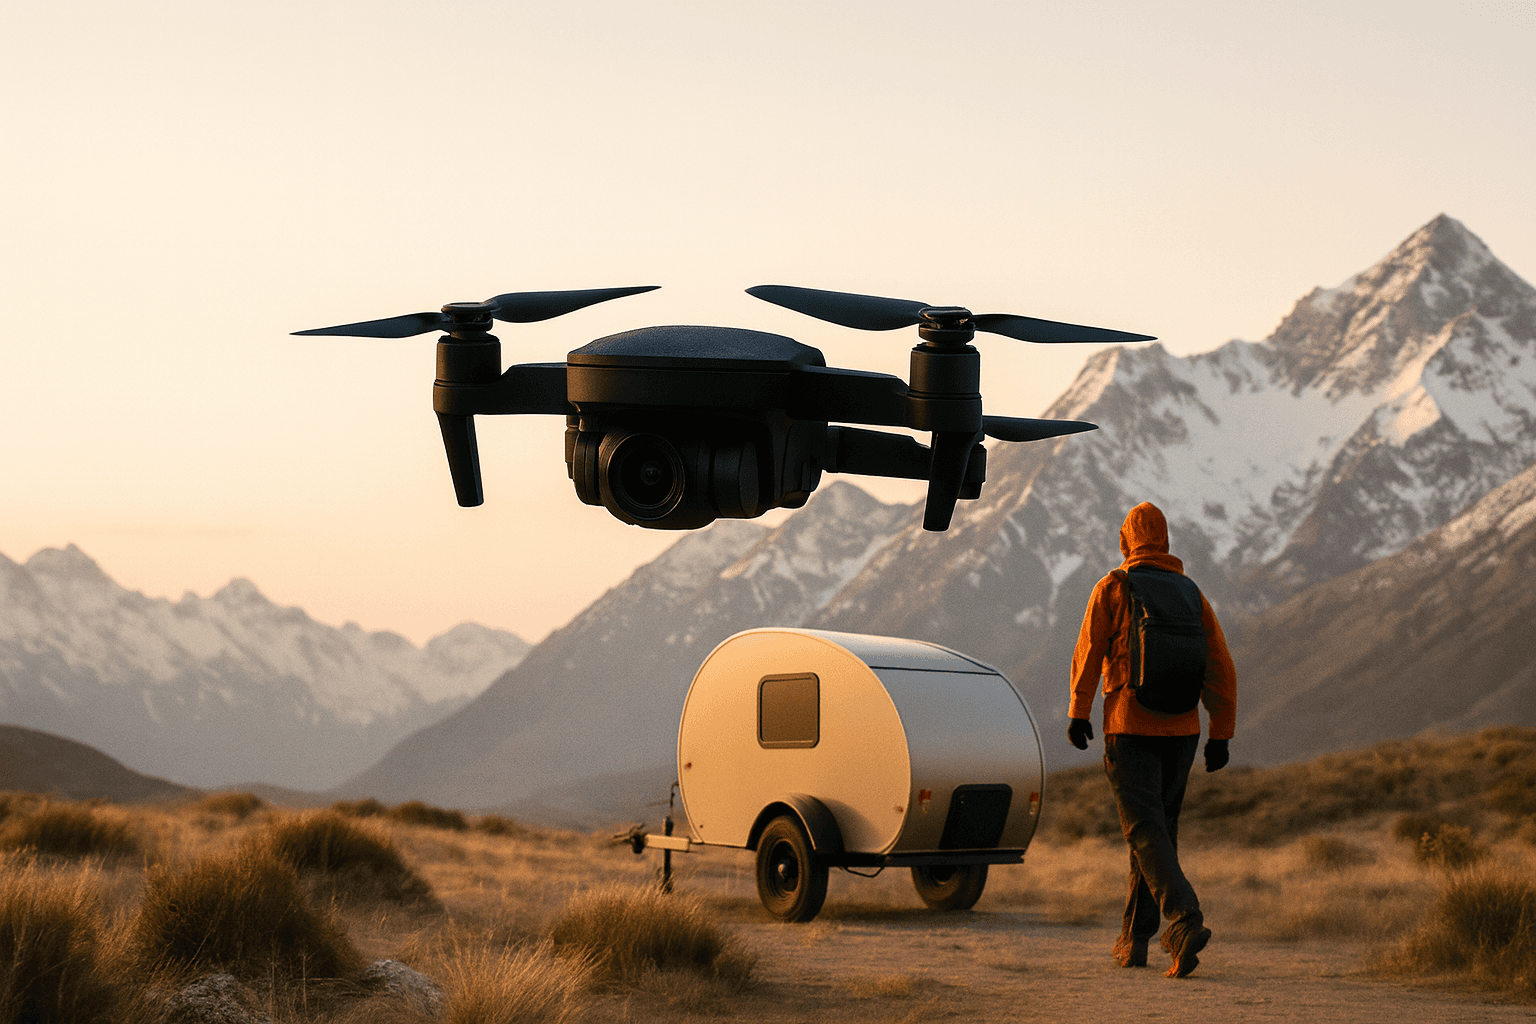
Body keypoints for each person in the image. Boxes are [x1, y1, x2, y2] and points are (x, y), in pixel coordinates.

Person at [1066, 501, 1236, 978]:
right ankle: (1135, 940)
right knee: (1156, 833)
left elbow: (1089, 651)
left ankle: (1183, 920)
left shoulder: (1114, 586)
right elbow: (1220, 666)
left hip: (1129, 724)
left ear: (1126, 540)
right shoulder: (1191, 592)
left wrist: (1079, 712)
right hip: (1183, 730)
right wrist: (1220, 733)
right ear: (1164, 540)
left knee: (1144, 831)